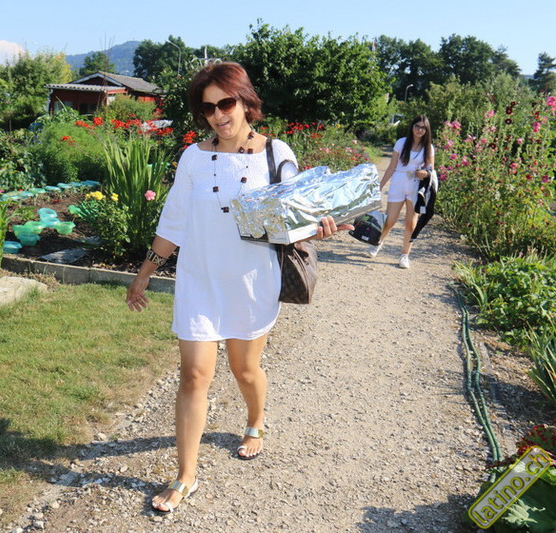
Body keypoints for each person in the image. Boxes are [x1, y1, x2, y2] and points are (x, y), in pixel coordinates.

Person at [125, 62, 351, 514]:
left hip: (250, 283)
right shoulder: (193, 157)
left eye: (225, 103)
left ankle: (255, 419)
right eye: (207, 108)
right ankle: (185, 476)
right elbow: (174, 220)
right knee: (194, 375)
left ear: (245, 102)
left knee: (244, 370)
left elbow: (296, 218)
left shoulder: (276, 153)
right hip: (200, 280)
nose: (217, 115)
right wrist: (146, 271)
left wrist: (319, 228)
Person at [368, 115, 435, 269]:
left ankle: (405, 255)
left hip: (416, 187)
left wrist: (424, 173)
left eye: (423, 127)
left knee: (411, 223)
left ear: (427, 130)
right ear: (412, 126)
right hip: (399, 182)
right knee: (390, 220)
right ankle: (378, 243)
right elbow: (391, 166)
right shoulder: (401, 143)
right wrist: (380, 185)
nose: (419, 130)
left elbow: (431, 170)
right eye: (417, 126)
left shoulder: (429, 148)